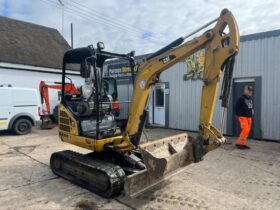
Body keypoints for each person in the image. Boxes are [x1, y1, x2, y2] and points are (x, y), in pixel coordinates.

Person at [234, 85, 254, 149]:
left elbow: (250, 107)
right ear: (245, 90)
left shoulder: (250, 98)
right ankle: (238, 143)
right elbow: (236, 107)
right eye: (249, 90)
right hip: (243, 116)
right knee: (245, 129)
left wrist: (252, 112)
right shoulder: (241, 98)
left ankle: (243, 143)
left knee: (247, 131)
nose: (250, 92)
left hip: (249, 117)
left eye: (251, 91)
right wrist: (237, 114)